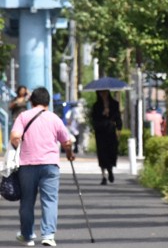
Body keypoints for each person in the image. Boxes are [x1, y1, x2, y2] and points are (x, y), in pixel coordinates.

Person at [10, 87, 75, 247]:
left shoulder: (23, 116)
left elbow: (14, 137)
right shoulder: (54, 119)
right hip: (50, 165)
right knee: (50, 200)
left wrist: (20, 146)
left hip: (27, 165)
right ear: (48, 102)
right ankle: (48, 235)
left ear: (32, 101)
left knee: (26, 201)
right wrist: (69, 154)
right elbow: (66, 142)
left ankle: (27, 236)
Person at [91, 90, 122, 185]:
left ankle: (110, 169)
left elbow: (118, 117)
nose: (103, 95)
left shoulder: (114, 104)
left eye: (104, 92)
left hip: (111, 131)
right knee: (102, 153)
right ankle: (103, 176)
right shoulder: (96, 106)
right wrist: (102, 114)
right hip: (100, 132)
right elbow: (93, 119)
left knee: (111, 151)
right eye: (100, 93)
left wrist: (119, 128)